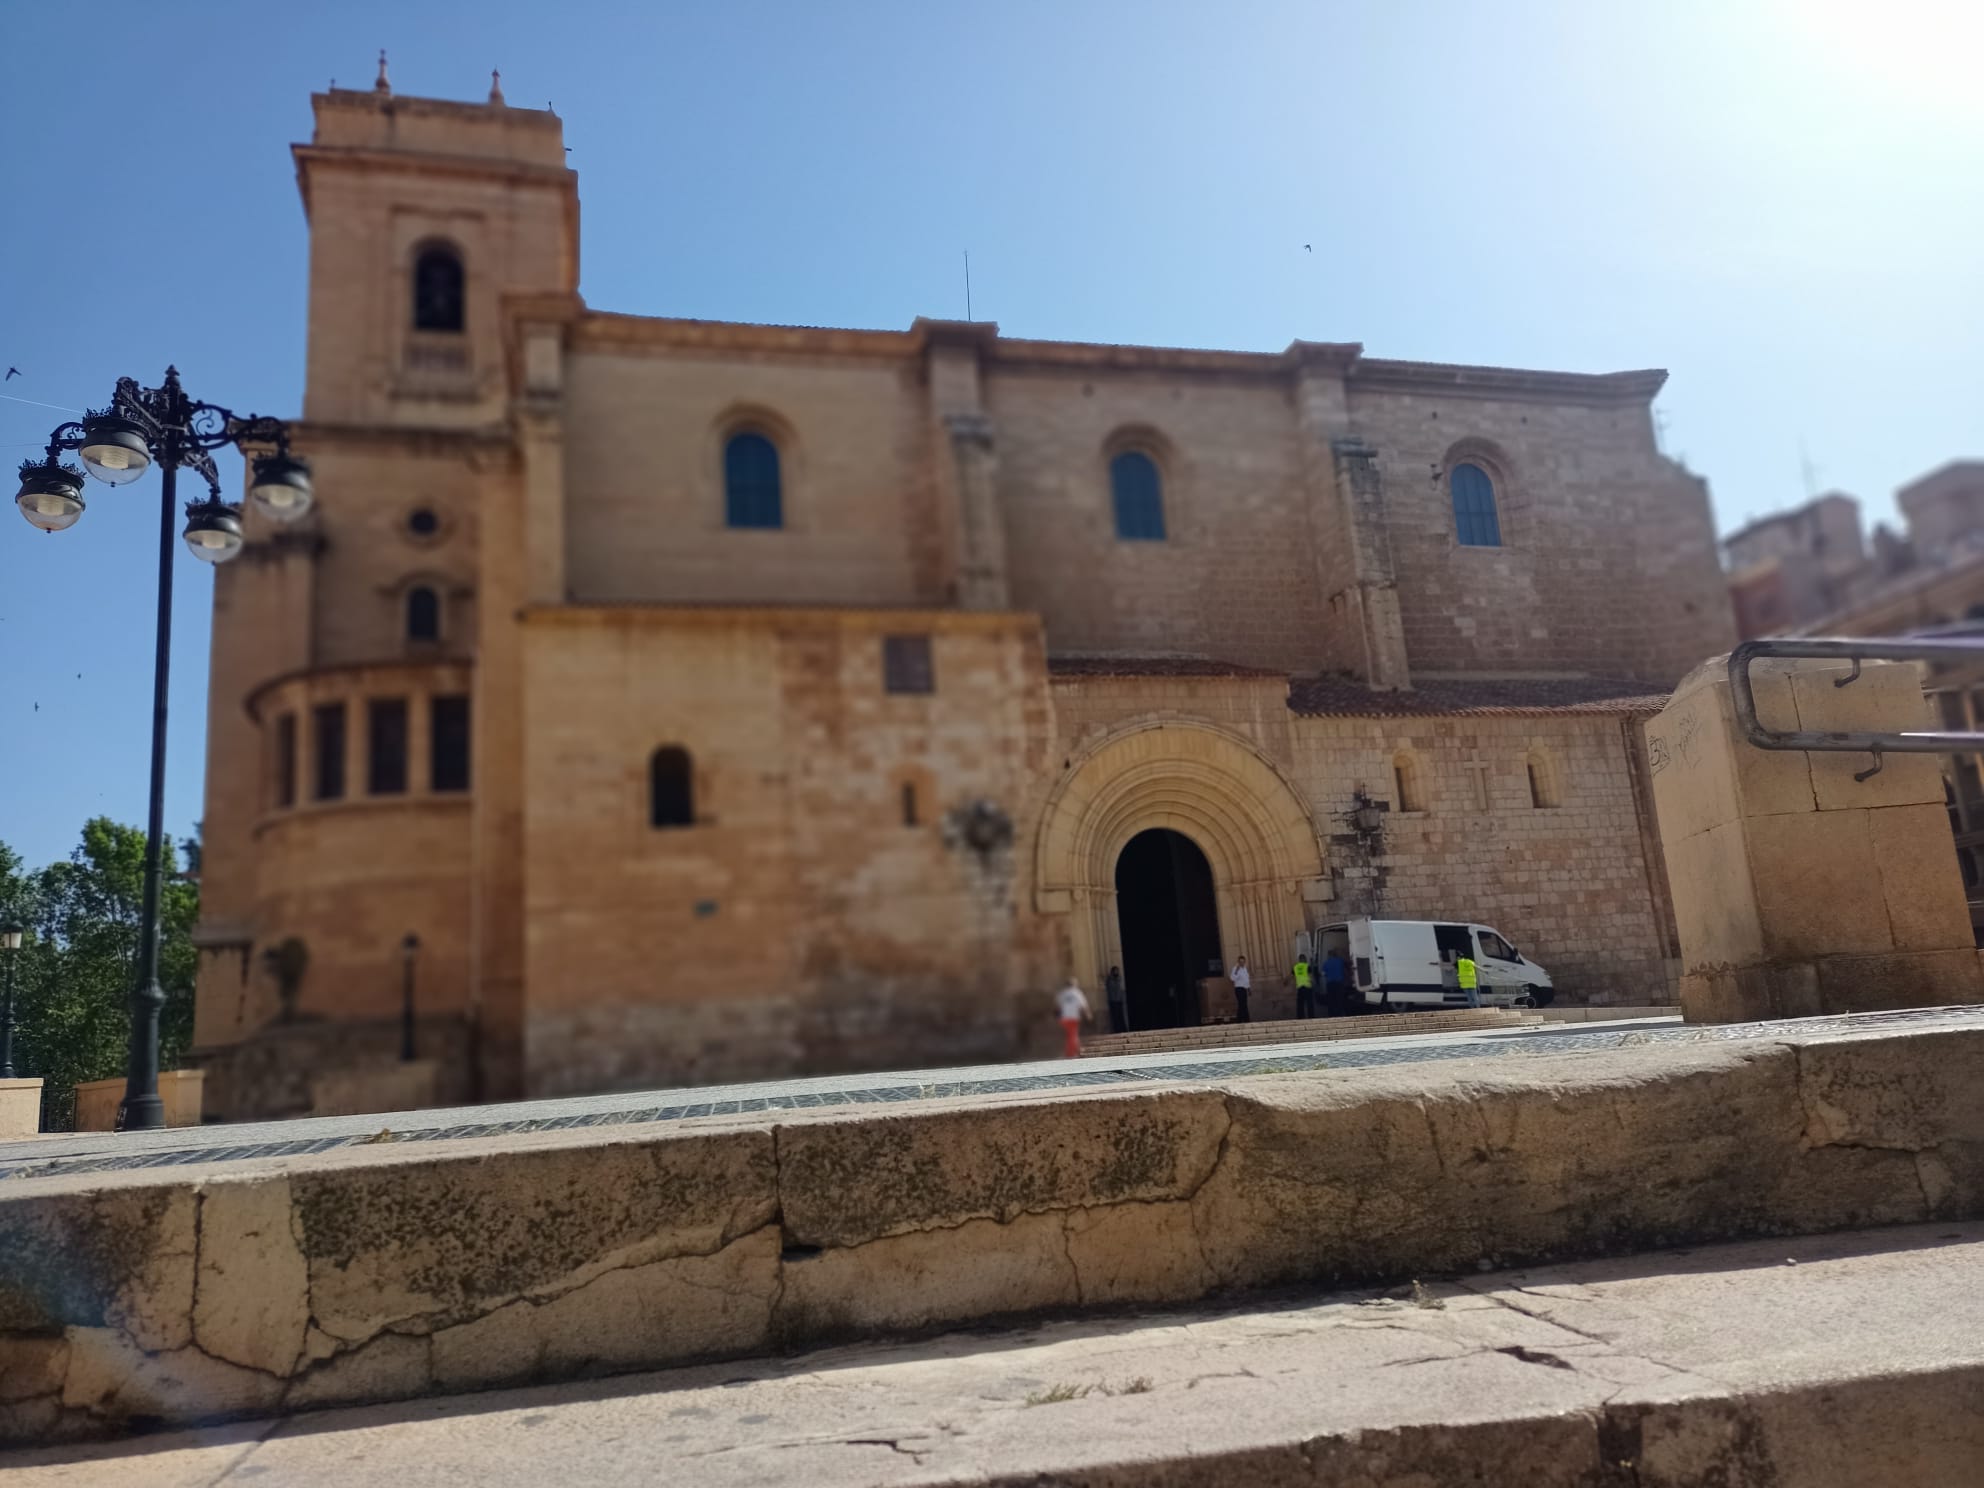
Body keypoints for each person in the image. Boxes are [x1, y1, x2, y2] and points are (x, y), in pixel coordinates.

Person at [1055, 976, 1093, 1057]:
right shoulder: (1077, 993)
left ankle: (1076, 1050)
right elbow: (1084, 1005)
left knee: (1070, 1035)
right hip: (1073, 1017)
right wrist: (1088, 1014)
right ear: (1074, 984)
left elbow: (1058, 1006)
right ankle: (1071, 1052)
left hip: (1064, 1018)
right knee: (1073, 1035)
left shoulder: (1062, 993)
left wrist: (1058, 1016)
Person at [1321, 946, 1349, 1016]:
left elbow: (1323, 974)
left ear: (1329, 955)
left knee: (1331, 1001)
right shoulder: (1340, 961)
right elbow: (1345, 969)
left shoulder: (1326, 963)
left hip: (1330, 984)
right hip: (1339, 984)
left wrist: (1328, 974)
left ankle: (1331, 1015)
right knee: (1339, 1000)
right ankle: (1339, 1015)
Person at [1229, 955, 1252, 1023]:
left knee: (1244, 1004)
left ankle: (1246, 1020)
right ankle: (1240, 1020)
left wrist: (1249, 989)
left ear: (1245, 962)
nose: (1242, 963)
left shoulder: (1245, 969)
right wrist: (1236, 971)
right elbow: (1232, 978)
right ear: (1238, 962)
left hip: (1244, 989)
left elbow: (1246, 980)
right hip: (1238, 989)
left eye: (1243, 962)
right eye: (1240, 962)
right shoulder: (1235, 968)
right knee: (1241, 1004)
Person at [1104, 965, 1127, 1033]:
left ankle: (1123, 1029)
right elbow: (1110, 989)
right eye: (1115, 971)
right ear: (1112, 971)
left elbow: (1120, 989)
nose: (1117, 972)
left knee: (1121, 1016)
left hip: (1119, 1000)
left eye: (1117, 971)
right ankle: (1117, 1030)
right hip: (1113, 1000)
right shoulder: (1110, 980)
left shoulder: (1119, 978)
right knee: (1115, 1017)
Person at [1292, 953, 1315, 1019]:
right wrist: (1313, 983)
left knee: (1300, 1004)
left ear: (1299, 960)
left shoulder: (1295, 967)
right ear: (1304, 959)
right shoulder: (1307, 966)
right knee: (1309, 1004)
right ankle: (1311, 1017)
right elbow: (1311, 976)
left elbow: (1291, 975)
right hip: (1307, 987)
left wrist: (1285, 981)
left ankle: (1300, 1017)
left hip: (1300, 988)